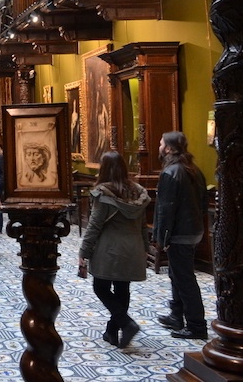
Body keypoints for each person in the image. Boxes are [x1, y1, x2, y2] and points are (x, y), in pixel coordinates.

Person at [78, 151, 151, 348]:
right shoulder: (138, 192)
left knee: (100, 287)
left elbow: (94, 225)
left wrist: (83, 252)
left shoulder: (102, 193)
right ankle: (112, 331)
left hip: (109, 248)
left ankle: (126, 324)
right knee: (122, 288)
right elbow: (143, 223)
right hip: (133, 246)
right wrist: (145, 246)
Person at [153, 131, 208, 340]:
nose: (159, 147)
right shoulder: (194, 169)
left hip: (178, 233)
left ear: (168, 148)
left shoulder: (171, 172)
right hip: (192, 230)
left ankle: (196, 325)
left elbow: (166, 209)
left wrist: (162, 238)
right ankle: (176, 316)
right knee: (177, 274)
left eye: (161, 144)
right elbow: (204, 203)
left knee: (184, 279)